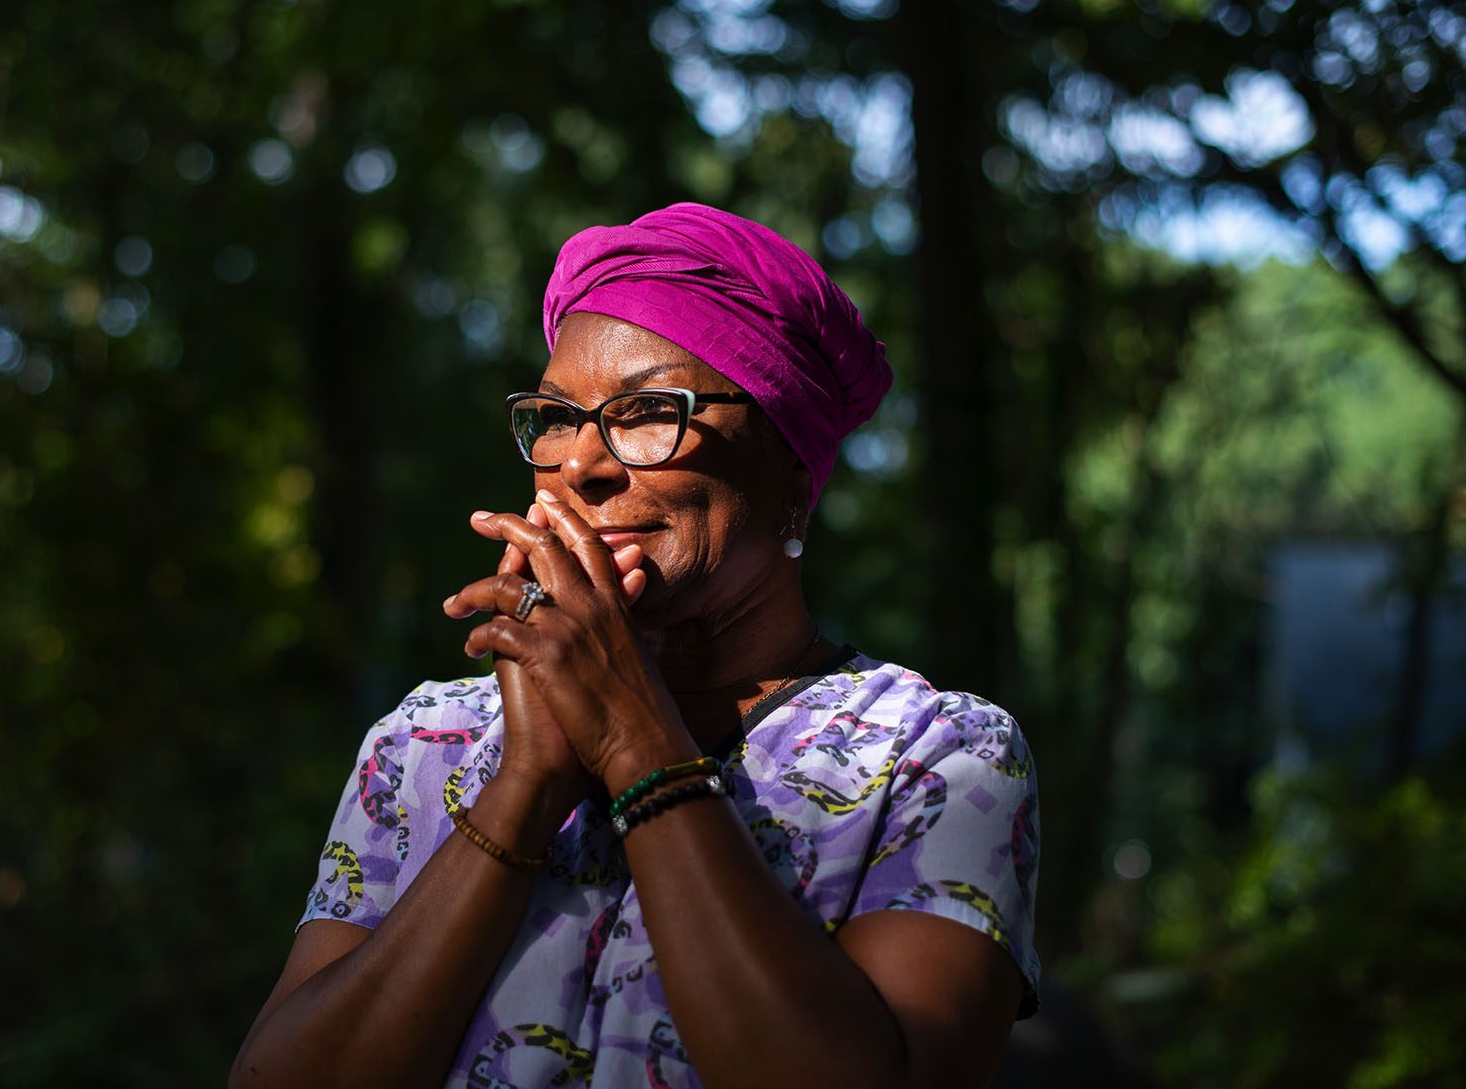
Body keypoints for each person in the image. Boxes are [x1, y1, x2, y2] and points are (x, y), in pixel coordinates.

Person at [230, 203, 1039, 1089]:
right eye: (555, 418)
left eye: (649, 412)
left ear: (793, 481)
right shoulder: (428, 744)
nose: (581, 463)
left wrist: (633, 734)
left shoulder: (935, 760)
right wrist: (525, 787)